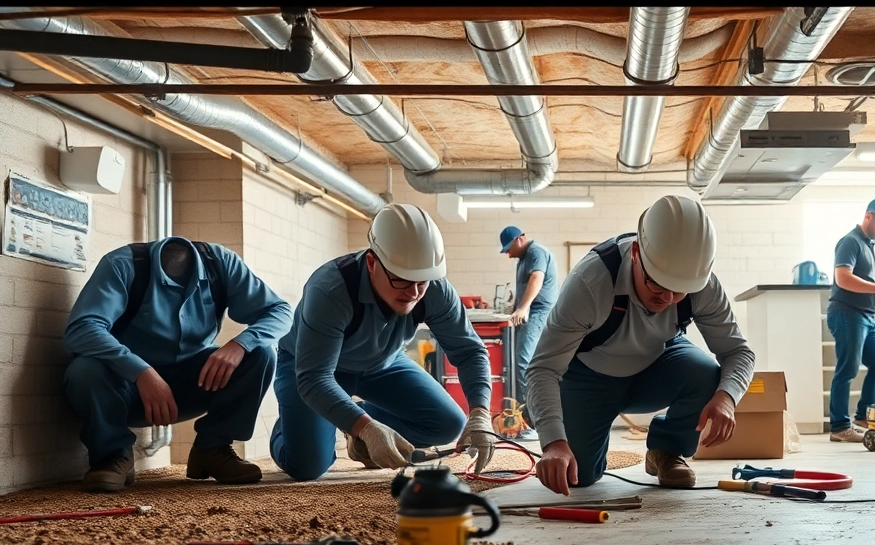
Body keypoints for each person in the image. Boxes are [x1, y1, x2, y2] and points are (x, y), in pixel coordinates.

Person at [528, 194, 756, 496]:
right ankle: (579, 440)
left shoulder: (702, 286)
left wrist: (727, 397)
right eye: (657, 284)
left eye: (680, 292)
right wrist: (554, 443)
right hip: (590, 378)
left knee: (706, 374)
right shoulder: (591, 283)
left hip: (657, 366)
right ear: (636, 252)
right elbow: (543, 368)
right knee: (576, 475)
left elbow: (738, 352)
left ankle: (666, 450)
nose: (668, 298)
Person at [268, 203, 497, 480]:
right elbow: (314, 378)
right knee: (308, 466)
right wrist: (365, 427)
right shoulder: (330, 289)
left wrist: (481, 412)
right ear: (372, 263)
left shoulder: (433, 288)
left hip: (381, 364)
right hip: (315, 369)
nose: (413, 292)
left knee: (448, 424)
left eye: (421, 281)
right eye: (401, 280)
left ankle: (354, 423)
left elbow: (470, 351)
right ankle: (295, 425)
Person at [64, 236, 293, 492]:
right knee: (84, 369)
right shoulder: (122, 264)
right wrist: (141, 372)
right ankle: (112, 456)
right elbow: (81, 329)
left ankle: (212, 448)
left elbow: (281, 311)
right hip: (127, 390)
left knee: (260, 352)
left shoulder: (221, 263)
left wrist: (239, 345)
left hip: (193, 384)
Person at [826, 197, 875, 443]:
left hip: (867, 317)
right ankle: (839, 427)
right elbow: (843, 279)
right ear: (869, 215)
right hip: (847, 313)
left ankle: (863, 418)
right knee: (848, 369)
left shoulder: (869, 244)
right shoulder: (850, 242)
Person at [498, 225, 558, 442]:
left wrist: (523, 308)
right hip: (530, 312)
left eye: (508, 248)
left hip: (538, 312)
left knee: (525, 364)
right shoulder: (523, 258)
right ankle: (531, 420)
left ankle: (532, 423)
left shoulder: (535, 252)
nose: (507, 253)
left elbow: (537, 279)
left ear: (519, 239)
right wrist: (516, 307)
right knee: (524, 364)